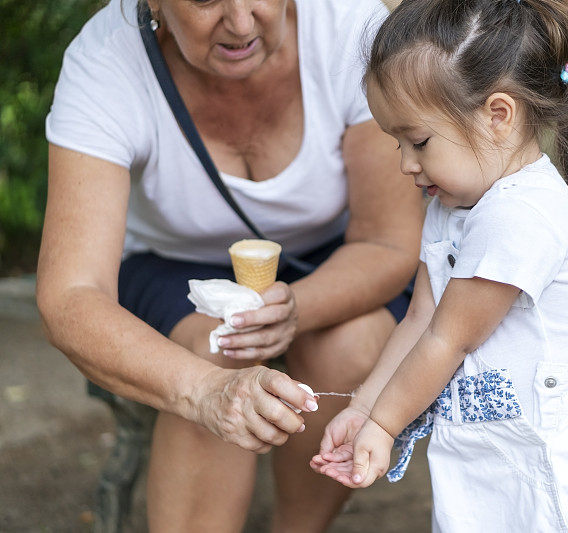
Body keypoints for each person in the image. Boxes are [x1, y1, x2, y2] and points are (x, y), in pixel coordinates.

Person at [36, 0, 422, 530]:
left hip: (335, 257)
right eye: (205, 0)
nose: (241, 23)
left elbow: (388, 242)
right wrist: (205, 393)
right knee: (220, 352)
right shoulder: (106, 61)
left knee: (351, 347)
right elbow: (70, 295)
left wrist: (298, 308)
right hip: (175, 263)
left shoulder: (351, 29)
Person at [310, 0, 568, 530]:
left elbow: (448, 339)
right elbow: (419, 321)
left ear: (498, 115)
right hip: (488, 468)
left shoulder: (520, 217)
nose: (406, 163)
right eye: (396, 143)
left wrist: (383, 425)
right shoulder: (450, 208)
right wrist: (364, 408)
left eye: (419, 141)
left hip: (558, 482)